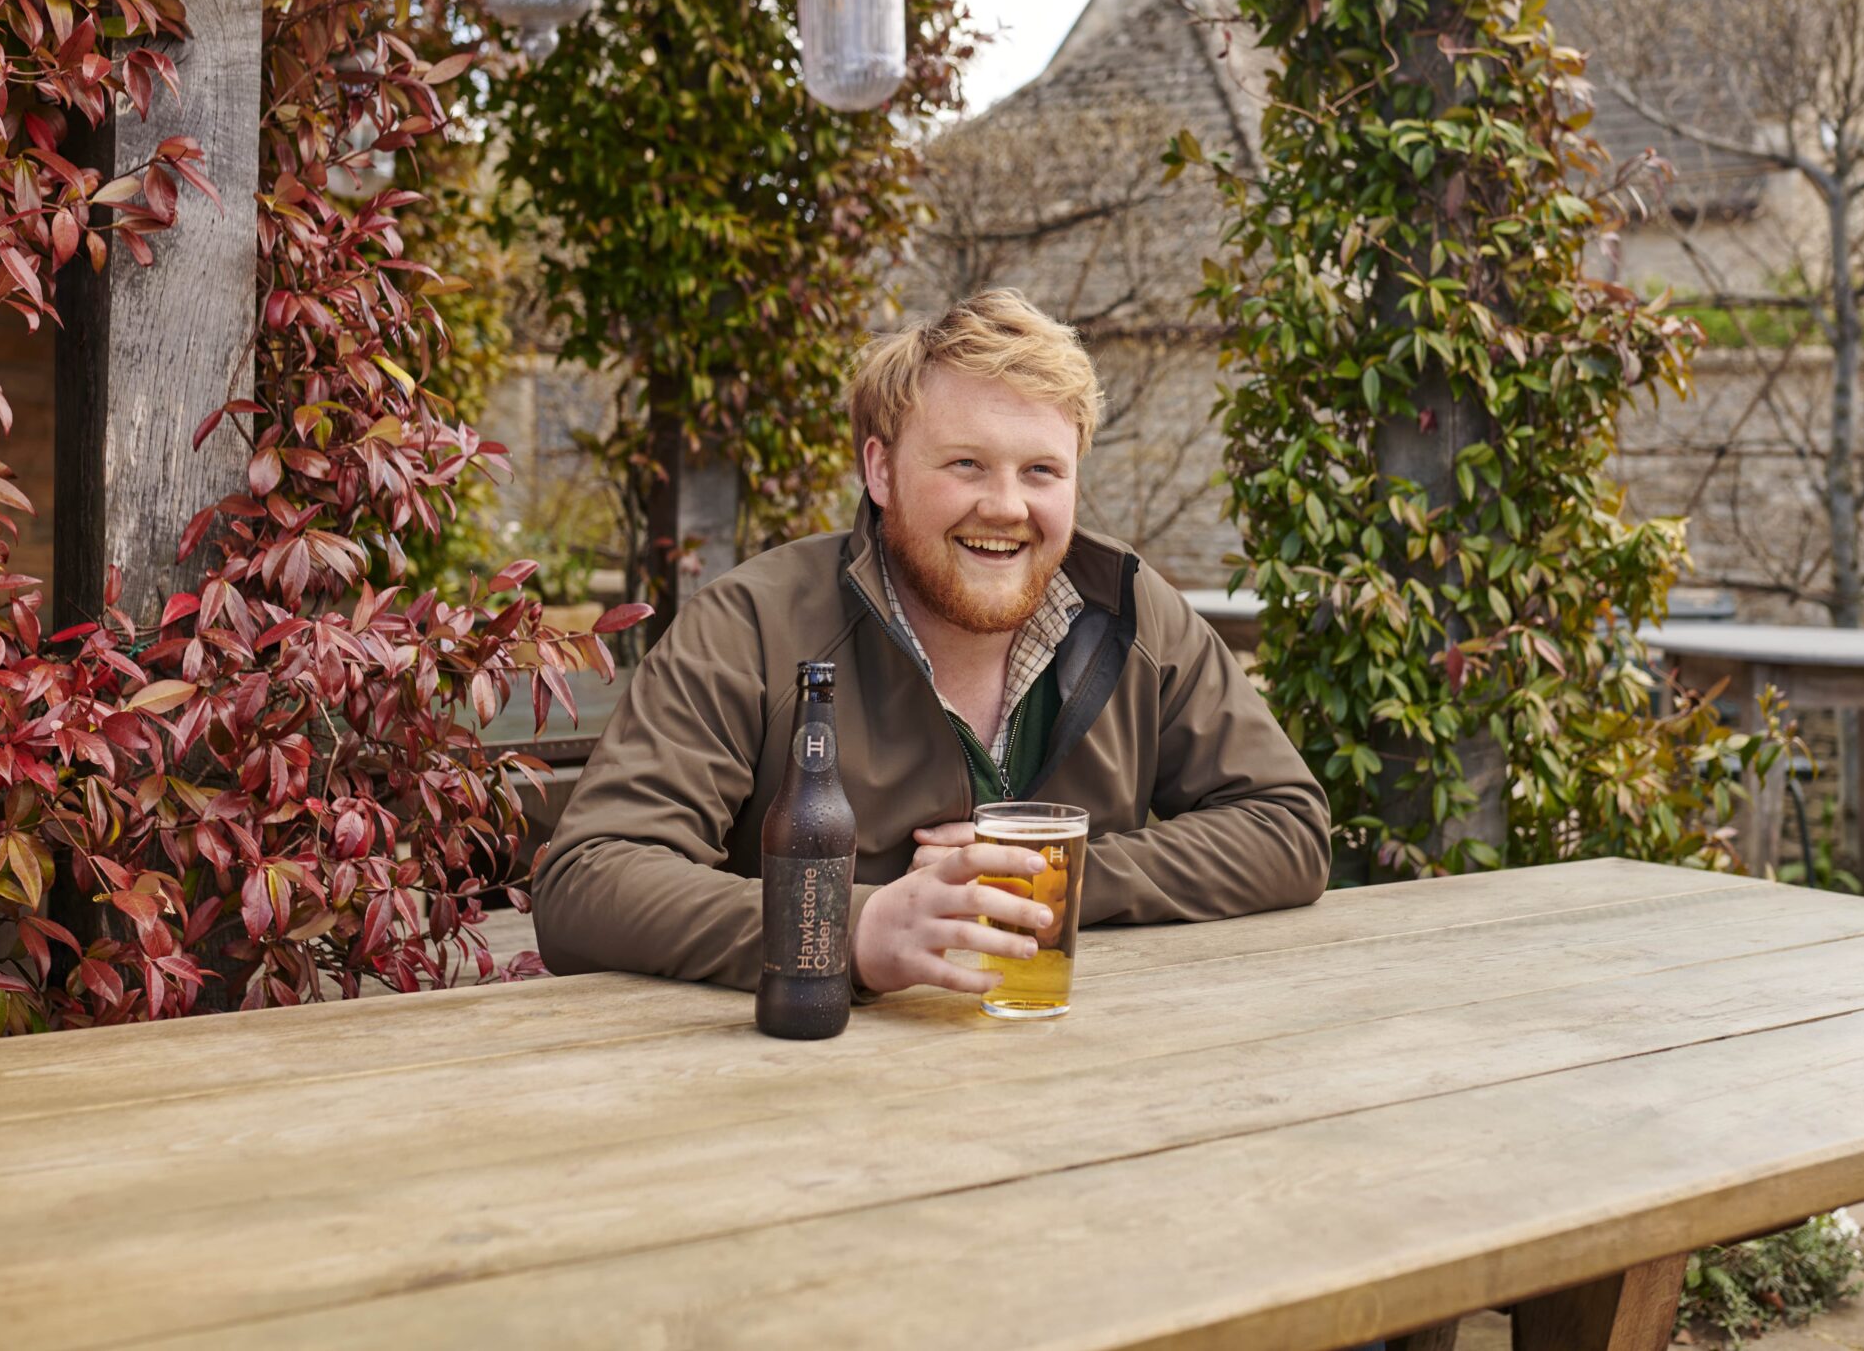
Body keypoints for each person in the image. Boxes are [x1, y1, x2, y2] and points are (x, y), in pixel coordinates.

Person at [534, 291, 1330, 997]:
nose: (1007, 505)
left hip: (1083, 1078)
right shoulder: (750, 624)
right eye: (966, 463)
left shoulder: (1131, 610)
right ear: (880, 470)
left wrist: (1053, 879)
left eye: (1043, 470)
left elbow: (1287, 824)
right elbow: (589, 877)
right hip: (792, 1098)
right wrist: (848, 930)